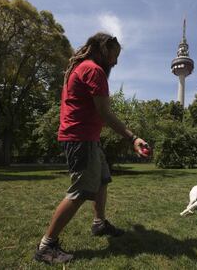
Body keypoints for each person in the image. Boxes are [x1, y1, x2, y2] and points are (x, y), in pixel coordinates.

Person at [34, 32, 149, 264]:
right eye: (114, 56)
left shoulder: (81, 67)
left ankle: (99, 224)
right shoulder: (93, 70)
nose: (115, 62)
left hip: (88, 139)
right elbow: (105, 112)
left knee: (102, 179)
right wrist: (133, 138)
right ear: (104, 50)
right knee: (80, 191)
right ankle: (46, 246)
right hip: (81, 139)